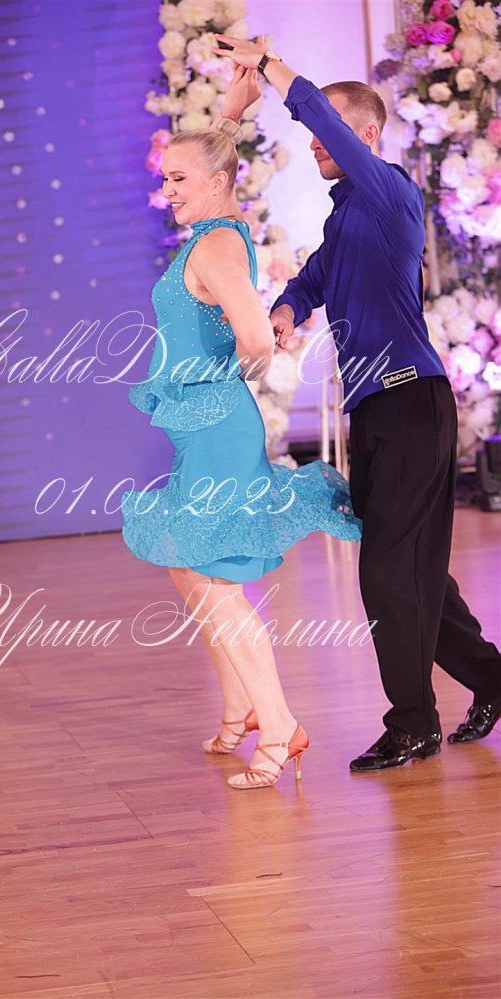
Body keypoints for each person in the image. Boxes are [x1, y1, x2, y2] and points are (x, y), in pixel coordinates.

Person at [212, 34, 501, 770]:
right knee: (415, 569)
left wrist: (269, 65)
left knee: (387, 571)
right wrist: (286, 309)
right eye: (315, 135)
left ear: (365, 135)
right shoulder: (346, 219)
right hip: (378, 411)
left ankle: (414, 723)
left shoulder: (390, 192)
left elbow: (319, 114)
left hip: (409, 402)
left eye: (328, 133)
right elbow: (312, 279)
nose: (315, 144)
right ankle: (495, 680)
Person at [120, 89, 362, 789]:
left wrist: (231, 372)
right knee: (186, 566)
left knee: (218, 582)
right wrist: (231, 109)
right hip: (204, 428)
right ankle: (240, 708)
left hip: (218, 428)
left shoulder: (219, 242)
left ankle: (281, 726)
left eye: (178, 179)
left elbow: (255, 337)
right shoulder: (213, 231)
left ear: (218, 182)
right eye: (165, 178)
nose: (167, 191)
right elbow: (215, 158)